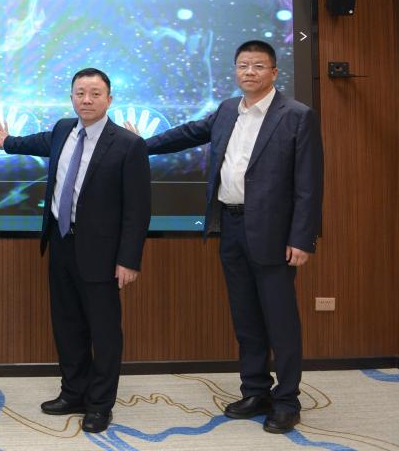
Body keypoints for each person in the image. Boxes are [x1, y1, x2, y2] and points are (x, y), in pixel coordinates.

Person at [129, 40, 322, 434]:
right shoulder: (227, 110)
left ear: (274, 72)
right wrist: (139, 145)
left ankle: (287, 400)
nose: (249, 72)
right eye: (242, 65)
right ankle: (255, 391)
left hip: (273, 233)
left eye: (258, 66)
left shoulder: (297, 115)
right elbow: (187, 134)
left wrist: (302, 238)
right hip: (229, 227)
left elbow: (309, 183)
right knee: (245, 317)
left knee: (280, 321)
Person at [0, 67, 150, 434]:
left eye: (94, 93)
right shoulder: (64, 129)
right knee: (67, 324)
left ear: (109, 99)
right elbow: (39, 143)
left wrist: (129, 259)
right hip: (61, 243)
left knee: (104, 332)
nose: (86, 100)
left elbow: (138, 210)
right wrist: (8, 142)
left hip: (103, 253)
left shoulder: (128, 145)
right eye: (80, 93)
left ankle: (100, 404)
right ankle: (73, 392)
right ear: (72, 97)